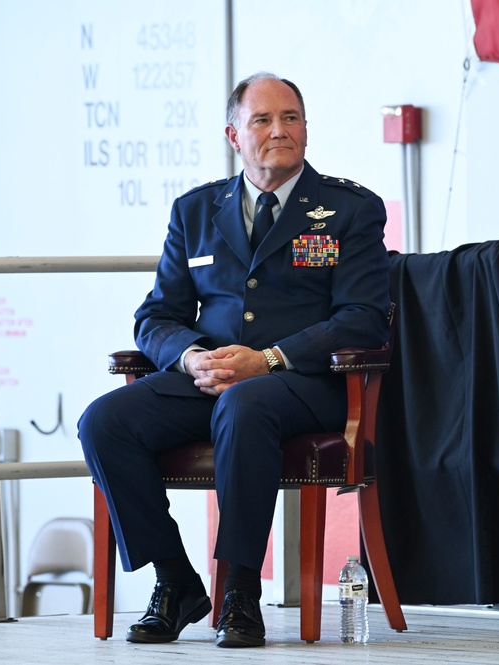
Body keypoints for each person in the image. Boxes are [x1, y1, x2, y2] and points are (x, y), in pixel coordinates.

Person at [78, 72, 392, 648]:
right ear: (233, 134)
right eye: (263, 120)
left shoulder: (349, 209)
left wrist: (270, 358)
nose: (280, 131)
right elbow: (156, 317)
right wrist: (191, 357)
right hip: (212, 378)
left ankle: (241, 590)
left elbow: (363, 318)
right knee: (104, 421)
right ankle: (174, 580)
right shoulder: (196, 210)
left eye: (291, 118)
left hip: (304, 385)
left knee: (246, 406)